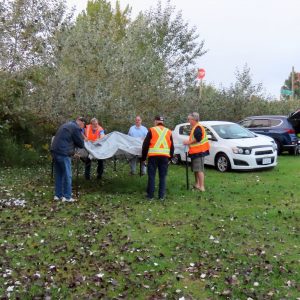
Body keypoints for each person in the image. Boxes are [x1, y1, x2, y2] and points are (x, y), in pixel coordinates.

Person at [51, 116, 86, 202]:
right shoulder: (75, 127)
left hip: (55, 151)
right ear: (82, 123)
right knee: (67, 175)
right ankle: (67, 197)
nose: (82, 128)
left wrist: (73, 151)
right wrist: (82, 136)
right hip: (63, 153)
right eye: (83, 127)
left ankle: (58, 195)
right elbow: (81, 144)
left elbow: (67, 139)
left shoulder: (67, 125)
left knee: (59, 174)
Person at [142, 115, 174, 200]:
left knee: (152, 176)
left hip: (153, 157)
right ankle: (161, 196)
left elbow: (145, 145)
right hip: (164, 157)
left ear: (155, 121)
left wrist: (143, 158)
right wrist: (170, 159)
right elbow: (172, 147)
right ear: (163, 122)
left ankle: (150, 196)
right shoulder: (169, 131)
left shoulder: (152, 130)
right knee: (162, 177)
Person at [183, 112, 210, 192]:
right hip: (195, 152)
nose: (188, 121)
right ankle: (197, 184)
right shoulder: (195, 127)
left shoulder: (198, 127)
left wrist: (188, 142)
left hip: (199, 151)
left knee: (199, 169)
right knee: (195, 169)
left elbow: (198, 138)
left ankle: (202, 187)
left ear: (194, 119)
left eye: (189, 119)